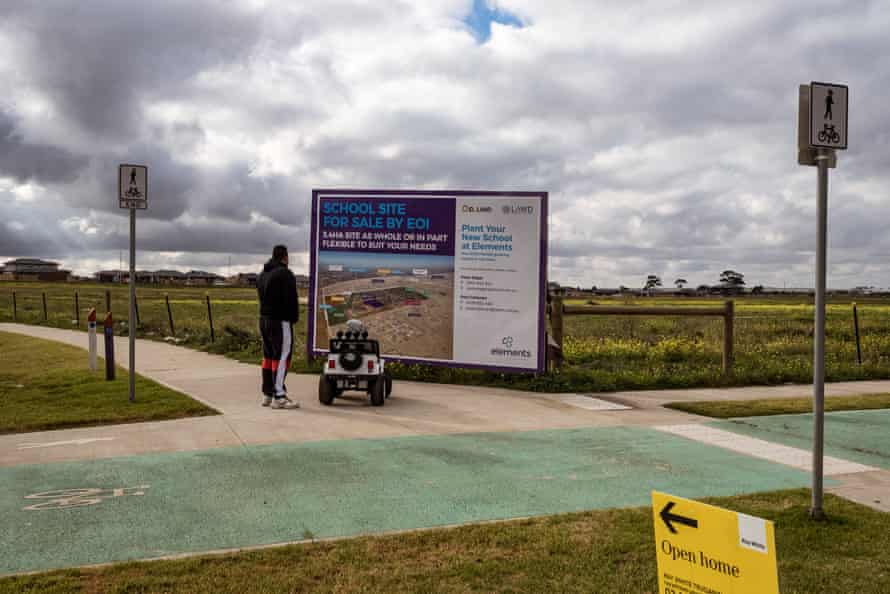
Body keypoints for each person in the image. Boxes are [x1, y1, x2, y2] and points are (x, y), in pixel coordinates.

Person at [257, 245, 300, 409]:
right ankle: (279, 396)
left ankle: (267, 394)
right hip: (280, 321)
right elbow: (291, 298)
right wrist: (293, 318)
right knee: (282, 356)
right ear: (285, 257)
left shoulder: (262, 274)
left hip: (264, 319)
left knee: (268, 357)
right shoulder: (285, 273)